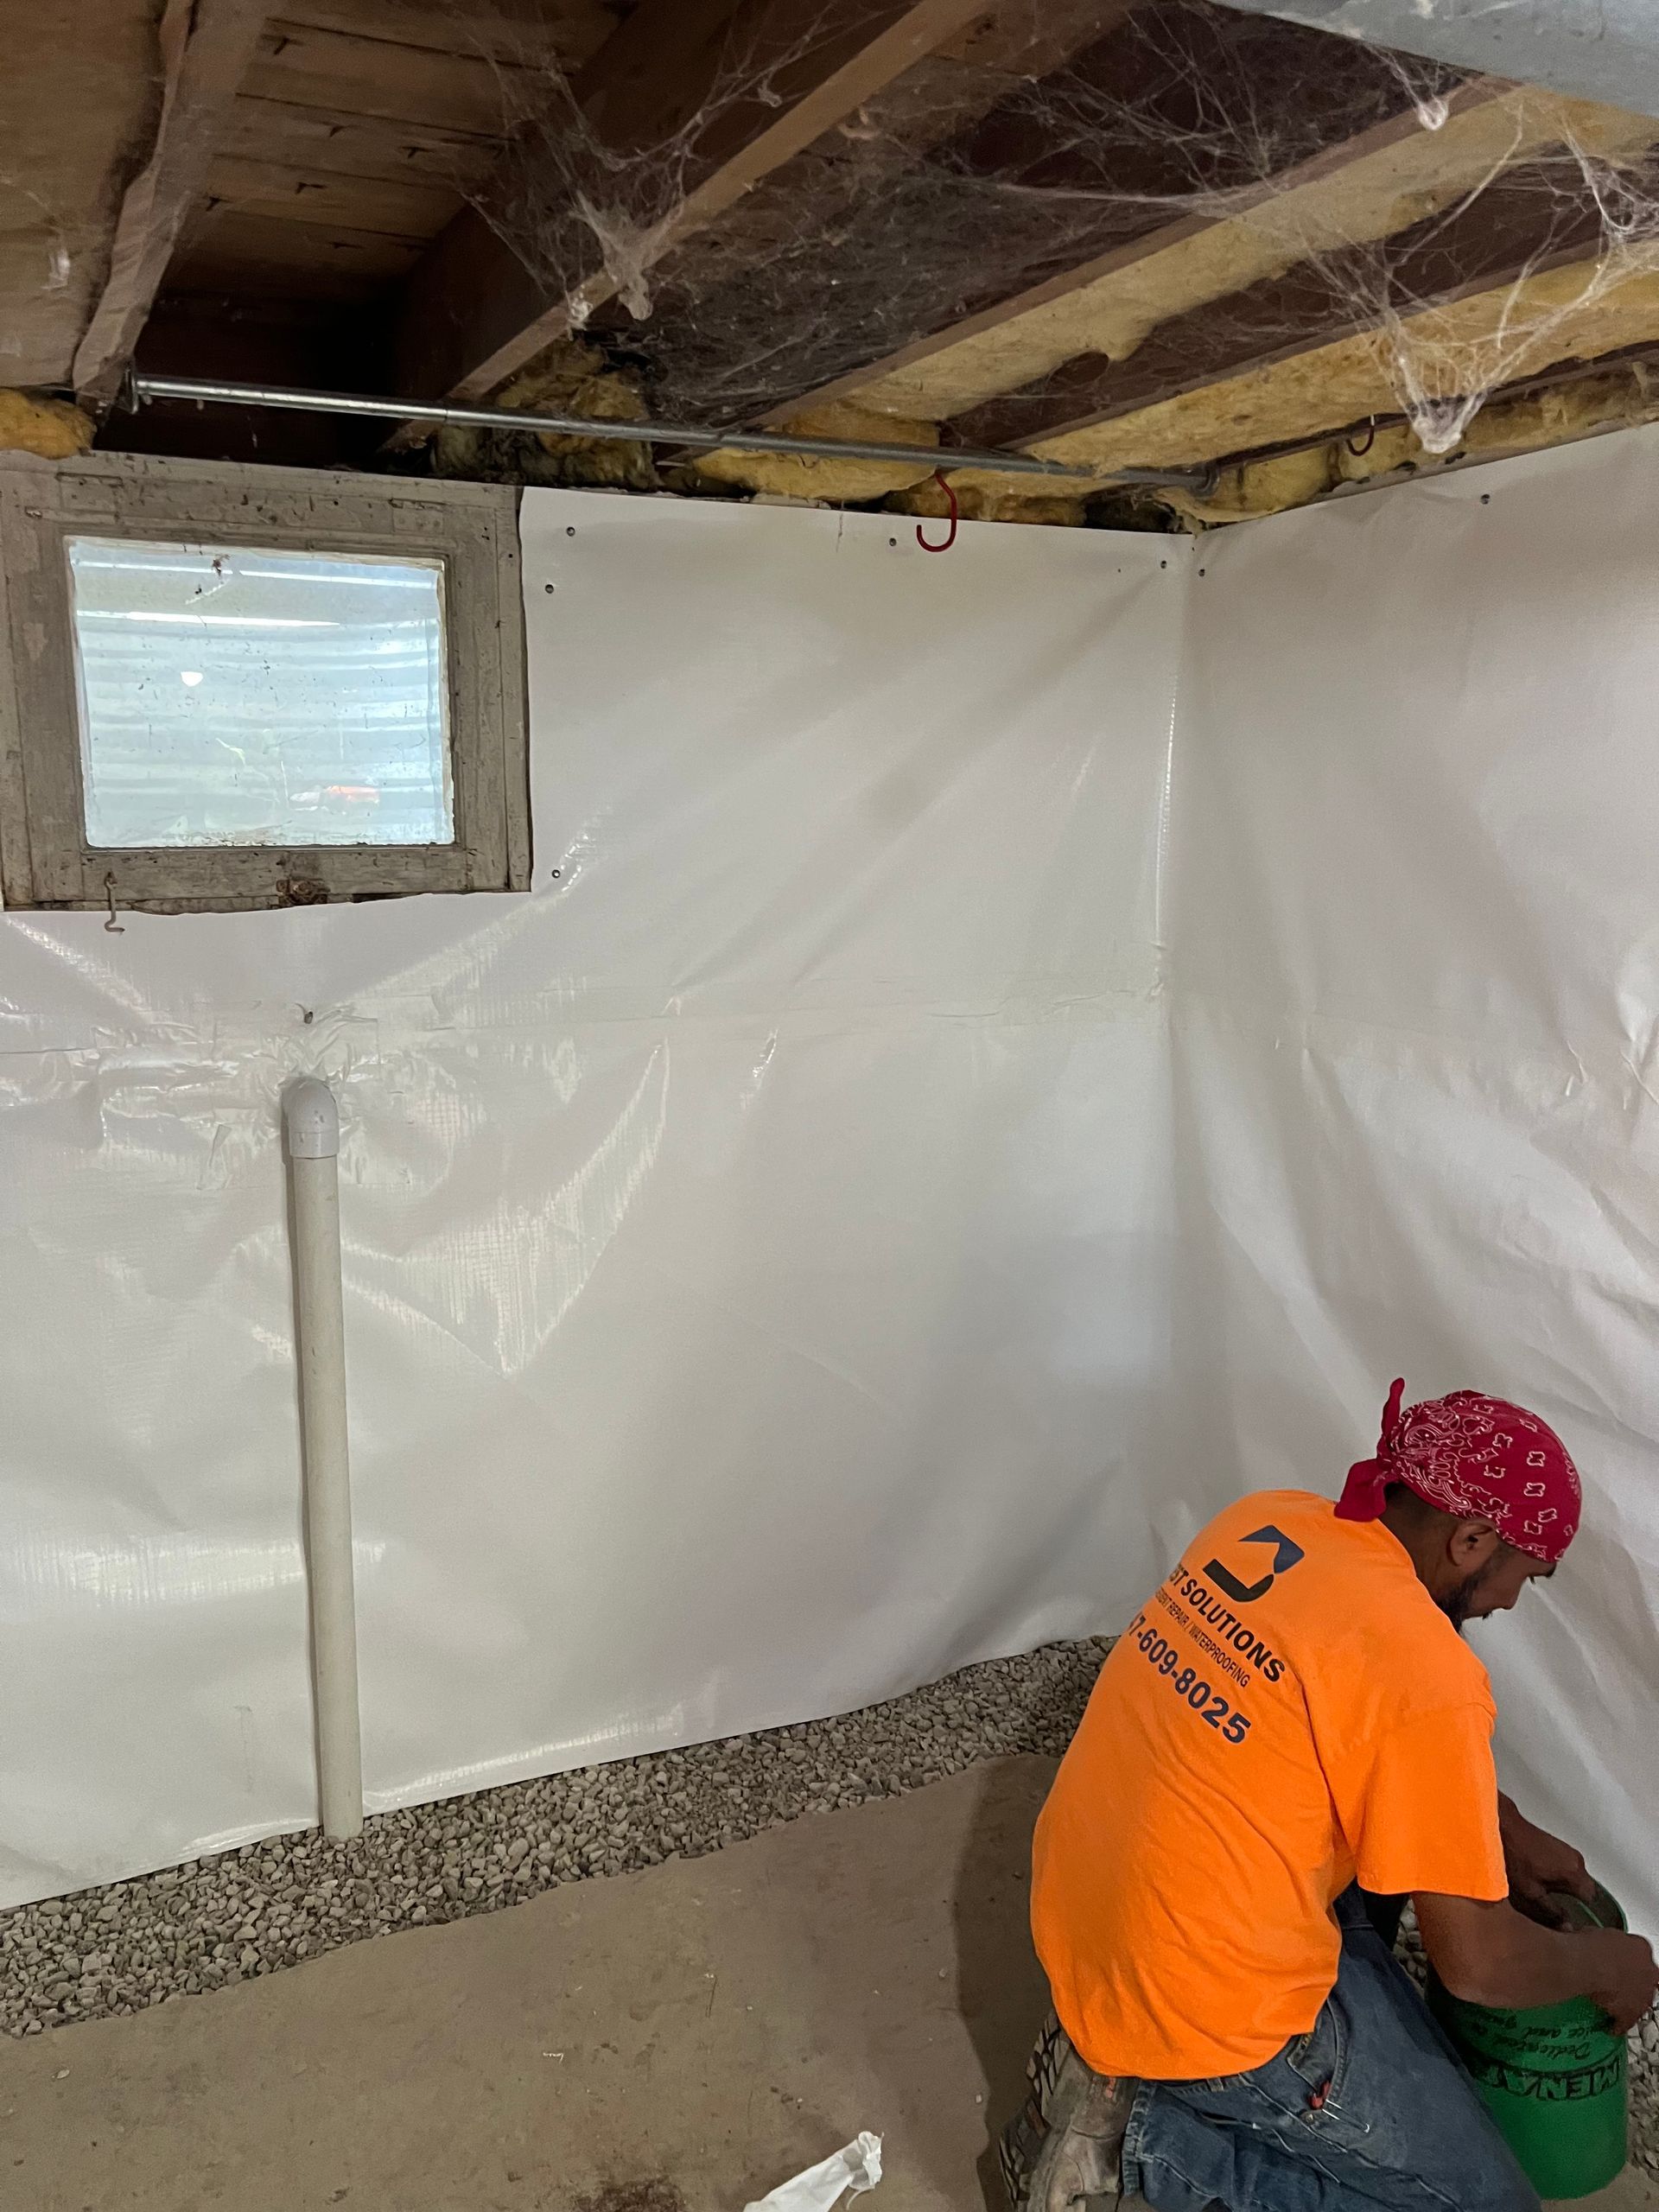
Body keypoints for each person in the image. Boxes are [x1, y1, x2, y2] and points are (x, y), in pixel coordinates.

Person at [1000, 1381, 1658, 2212]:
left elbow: (1346, 1718)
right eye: (1524, 1576)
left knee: (1378, 1891)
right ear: (1472, 1538)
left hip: (1089, 1910)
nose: (1508, 1602)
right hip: (1209, 1997)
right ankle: (1146, 2143)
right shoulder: (1426, 1669)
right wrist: (1609, 1965)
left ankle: (1127, 2052)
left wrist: (1505, 1828)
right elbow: (1479, 1968)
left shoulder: (1272, 1520)